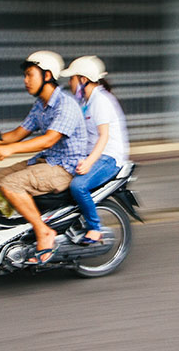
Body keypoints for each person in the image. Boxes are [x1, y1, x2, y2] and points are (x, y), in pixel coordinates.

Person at [0, 50, 88, 265]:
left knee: (10, 185)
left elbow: (49, 140)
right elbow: (17, 134)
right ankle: (16, 230)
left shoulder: (65, 105)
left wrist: (11, 150)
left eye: (30, 75)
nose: (25, 80)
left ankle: (43, 232)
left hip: (64, 169)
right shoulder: (40, 105)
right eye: (26, 75)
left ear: (47, 76)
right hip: (44, 161)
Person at [62, 56, 129, 245]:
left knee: (78, 186)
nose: (69, 83)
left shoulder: (100, 100)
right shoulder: (87, 102)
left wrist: (89, 162)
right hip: (95, 154)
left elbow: (104, 136)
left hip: (109, 158)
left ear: (83, 79)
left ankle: (94, 228)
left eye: (72, 78)